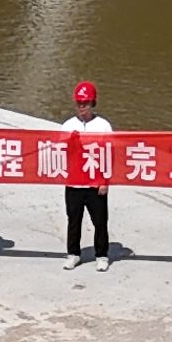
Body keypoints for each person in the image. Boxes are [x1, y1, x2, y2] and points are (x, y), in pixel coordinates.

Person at [57, 81, 116, 263]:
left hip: (95, 182)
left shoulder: (103, 126)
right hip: (74, 182)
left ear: (92, 104)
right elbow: (59, 152)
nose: (82, 107)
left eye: (86, 103)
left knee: (100, 221)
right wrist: (69, 142)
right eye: (79, 103)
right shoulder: (68, 125)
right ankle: (73, 253)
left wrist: (105, 181)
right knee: (73, 220)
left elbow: (109, 155)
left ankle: (101, 255)